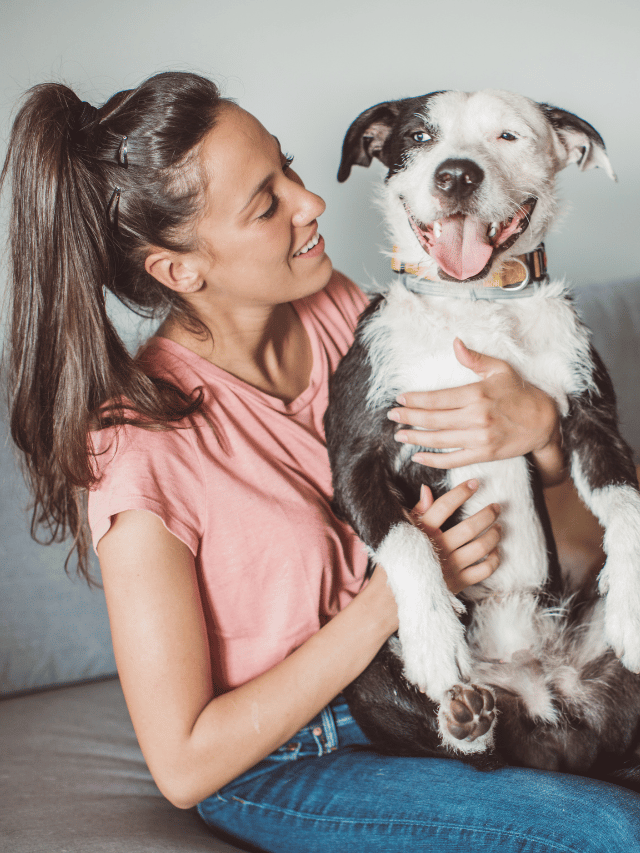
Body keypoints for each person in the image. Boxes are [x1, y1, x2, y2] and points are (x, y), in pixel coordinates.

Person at [3, 70, 639, 853]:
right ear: (180, 270)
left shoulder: (344, 313)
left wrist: (542, 429)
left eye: (289, 167)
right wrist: (396, 596)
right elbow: (183, 763)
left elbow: (556, 502)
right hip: (298, 755)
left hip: (444, 682)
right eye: (267, 204)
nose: (311, 204)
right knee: (611, 831)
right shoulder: (137, 445)